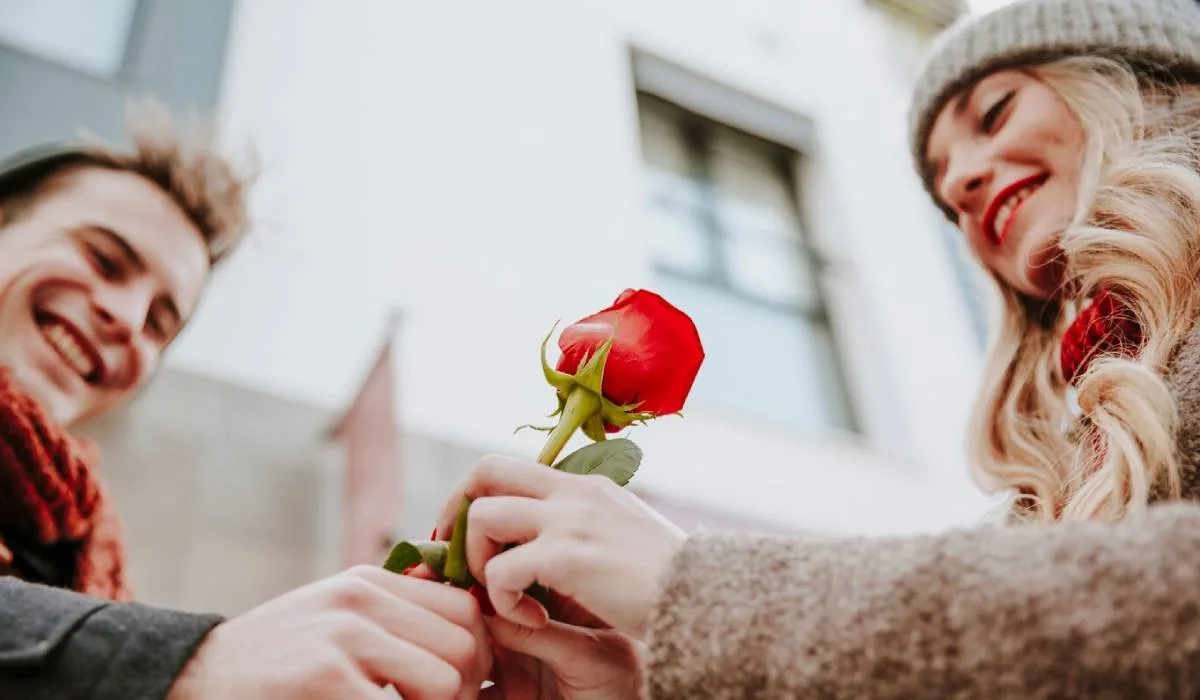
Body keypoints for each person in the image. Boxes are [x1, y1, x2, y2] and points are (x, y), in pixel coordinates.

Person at [434, 0, 1200, 697]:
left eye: (995, 112)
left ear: (1141, 82)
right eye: (942, 189)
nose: (963, 182)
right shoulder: (1075, 446)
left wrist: (693, 589)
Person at [0, 104, 491, 699]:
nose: (127, 320)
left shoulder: (80, 549)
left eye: (159, 323)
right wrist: (189, 663)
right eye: (104, 259)